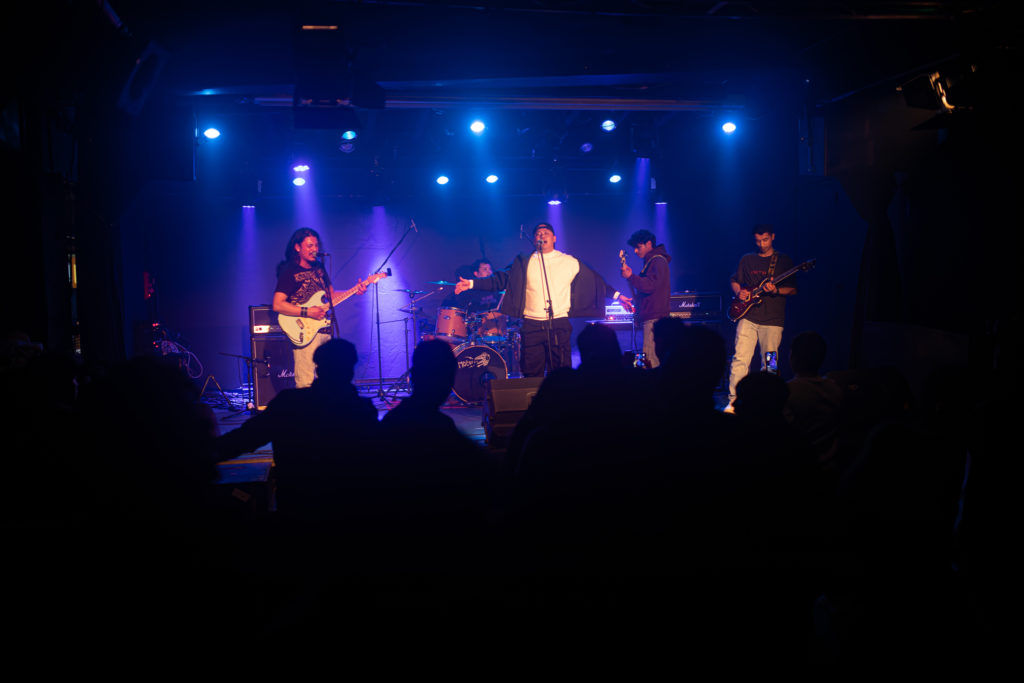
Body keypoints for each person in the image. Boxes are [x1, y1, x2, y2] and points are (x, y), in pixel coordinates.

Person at [215, 338, 379, 519]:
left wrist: (203, 455)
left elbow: (245, 438)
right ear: (350, 371)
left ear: (318, 369)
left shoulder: (289, 402)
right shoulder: (363, 410)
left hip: (296, 507)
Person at [454, 223, 630, 377]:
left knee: (561, 372)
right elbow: (499, 280)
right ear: (534, 239)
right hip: (532, 325)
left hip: (559, 323)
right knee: (532, 372)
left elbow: (595, 282)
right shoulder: (524, 262)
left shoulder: (568, 261)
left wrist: (618, 296)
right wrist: (471, 284)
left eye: (546, 233)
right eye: (538, 233)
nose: (541, 235)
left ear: (554, 238)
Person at [272, 228, 366, 388]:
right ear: (297, 247)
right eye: (309, 246)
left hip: (324, 329)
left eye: (316, 245)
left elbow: (331, 296)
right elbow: (278, 304)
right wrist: (308, 312)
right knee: (306, 382)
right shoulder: (289, 271)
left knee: (329, 380)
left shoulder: (319, 268)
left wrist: (355, 290)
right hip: (304, 330)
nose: (314, 249)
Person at [725, 224, 796, 412]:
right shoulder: (747, 259)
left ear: (772, 237)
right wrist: (739, 291)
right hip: (747, 317)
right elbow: (734, 280)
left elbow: (792, 289)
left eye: (765, 240)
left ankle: (770, 403)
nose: (762, 244)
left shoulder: (783, 260)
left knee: (770, 362)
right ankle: (733, 401)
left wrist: (776, 290)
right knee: (740, 359)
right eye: (758, 241)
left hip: (773, 320)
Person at [620, 229, 671, 368]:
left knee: (650, 359)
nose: (636, 251)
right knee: (650, 358)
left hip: (654, 317)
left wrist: (631, 277)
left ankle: (651, 382)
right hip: (652, 316)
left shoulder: (657, 261)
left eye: (638, 247)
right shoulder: (652, 262)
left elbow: (649, 286)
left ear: (649, 244)